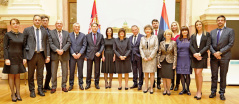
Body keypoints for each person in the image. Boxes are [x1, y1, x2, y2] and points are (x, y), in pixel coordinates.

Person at [23, 15, 50, 98]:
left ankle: (40, 89)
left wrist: (48, 56)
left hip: (41, 55)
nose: (37, 21)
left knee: (40, 74)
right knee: (31, 74)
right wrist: (24, 56)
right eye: (36, 20)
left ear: (41, 21)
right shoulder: (27, 30)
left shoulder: (44, 31)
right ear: (33, 21)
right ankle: (32, 90)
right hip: (31, 55)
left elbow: (47, 44)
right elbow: (23, 44)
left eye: (39, 20)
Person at [209, 15, 235, 100]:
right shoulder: (212, 32)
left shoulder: (230, 31)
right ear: (216, 22)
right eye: (218, 20)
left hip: (224, 56)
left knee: (223, 75)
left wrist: (220, 52)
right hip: (214, 57)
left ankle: (222, 92)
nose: (220, 21)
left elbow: (230, 44)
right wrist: (214, 53)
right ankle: (213, 91)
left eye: (221, 20)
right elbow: (209, 44)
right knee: (214, 75)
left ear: (224, 22)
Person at [3, 18, 27, 102]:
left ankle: (18, 93)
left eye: (17, 23)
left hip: (19, 57)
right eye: (13, 23)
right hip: (10, 58)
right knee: (11, 76)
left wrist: (24, 57)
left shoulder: (22, 35)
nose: (15, 25)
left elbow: (24, 47)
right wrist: (6, 58)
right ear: (11, 25)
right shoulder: (7, 35)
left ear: (19, 24)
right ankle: (12, 94)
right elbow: (5, 47)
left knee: (17, 76)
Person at [190, 20, 211, 100]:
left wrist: (199, 54)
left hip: (202, 56)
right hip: (195, 56)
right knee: (196, 73)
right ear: (195, 26)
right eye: (197, 25)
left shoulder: (207, 34)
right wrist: (195, 54)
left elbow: (208, 45)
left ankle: (199, 91)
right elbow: (191, 46)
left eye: (200, 24)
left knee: (199, 72)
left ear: (202, 25)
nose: (198, 26)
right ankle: (198, 90)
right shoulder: (193, 35)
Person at [49, 20, 71, 93]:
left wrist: (63, 50)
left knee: (65, 71)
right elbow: (50, 43)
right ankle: (54, 86)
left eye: (60, 23)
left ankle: (64, 86)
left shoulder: (66, 33)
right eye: (57, 23)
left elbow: (68, 42)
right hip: (54, 54)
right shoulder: (51, 32)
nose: (59, 24)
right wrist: (57, 50)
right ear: (55, 25)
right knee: (53, 72)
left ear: (62, 25)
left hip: (64, 54)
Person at [139, 25, 158, 94]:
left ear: (151, 30)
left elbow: (156, 47)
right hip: (144, 58)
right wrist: (143, 57)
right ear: (144, 31)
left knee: (152, 73)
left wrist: (151, 56)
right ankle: (146, 87)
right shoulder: (142, 38)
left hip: (152, 58)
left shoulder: (155, 37)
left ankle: (151, 88)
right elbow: (140, 48)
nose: (147, 30)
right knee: (146, 73)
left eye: (149, 29)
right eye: (146, 29)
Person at [85, 23, 104, 90]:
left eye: (96, 26)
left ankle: (96, 83)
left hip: (97, 56)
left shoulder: (101, 36)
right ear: (91, 27)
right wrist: (85, 55)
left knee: (97, 70)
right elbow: (85, 46)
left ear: (98, 28)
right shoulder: (87, 36)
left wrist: (99, 52)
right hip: (89, 55)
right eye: (94, 26)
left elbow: (102, 45)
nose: (95, 28)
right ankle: (88, 83)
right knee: (89, 70)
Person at [157, 29, 177, 96]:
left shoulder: (174, 42)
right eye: (166, 34)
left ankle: (168, 89)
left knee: (168, 77)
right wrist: (158, 63)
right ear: (164, 35)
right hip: (162, 61)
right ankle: (164, 89)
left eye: (169, 34)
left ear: (171, 35)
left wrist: (174, 64)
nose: (168, 35)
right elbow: (159, 53)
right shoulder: (161, 43)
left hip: (170, 62)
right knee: (164, 77)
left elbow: (175, 54)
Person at [68, 23, 86, 91]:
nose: (77, 28)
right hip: (72, 56)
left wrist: (80, 53)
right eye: (76, 27)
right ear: (73, 28)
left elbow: (84, 45)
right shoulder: (69, 35)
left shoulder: (83, 35)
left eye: (78, 27)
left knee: (80, 71)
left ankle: (81, 84)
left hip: (80, 56)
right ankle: (71, 84)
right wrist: (73, 53)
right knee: (71, 71)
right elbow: (69, 45)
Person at [176, 26, 192, 96]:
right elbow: (175, 49)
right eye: (183, 30)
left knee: (187, 74)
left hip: (188, 58)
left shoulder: (191, 39)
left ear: (188, 31)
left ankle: (188, 89)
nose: (184, 32)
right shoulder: (178, 39)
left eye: (186, 30)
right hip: (180, 58)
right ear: (181, 32)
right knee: (181, 74)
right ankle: (183, 89)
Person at [129, 25, 144, 90]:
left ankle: (140, 84)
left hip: (140, 57)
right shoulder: (130, 38)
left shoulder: (142, 37)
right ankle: (135, 83)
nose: (134, 31)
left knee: (140, 71)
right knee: (134, 71)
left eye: (135, 29)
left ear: (138, 29)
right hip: (132, 57)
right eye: (133, 30)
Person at [152, 19, 164, 89]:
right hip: (152, 53)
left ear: (158, 24)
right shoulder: (150, 32)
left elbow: (163, 42)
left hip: (160, 53)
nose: (155, 24)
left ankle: (158, 83)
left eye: (156, 23)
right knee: (152, 68)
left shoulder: (162, 32)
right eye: (154, 23)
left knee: (159, 68)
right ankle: (153, 83)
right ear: (152, 25)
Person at [41, 15, 52, 91]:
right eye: (43, 20)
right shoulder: (39, 30)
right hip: (41, 54)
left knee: (50, 71)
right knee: (40, 72)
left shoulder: (50, 31)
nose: (45, 22)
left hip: (49, 54)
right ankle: (40, 87)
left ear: (48, 21)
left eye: (46, 20)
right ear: (41, 21)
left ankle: (46, 85)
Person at [170, 21, 181, 91]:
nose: (174, 27)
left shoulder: (180, 35)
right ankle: (172, 84)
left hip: (179, 54)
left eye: (175, 25)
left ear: (177, 26)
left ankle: (177, 84)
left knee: (178, 71)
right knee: (171, 70)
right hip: (171, 55)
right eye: (172, 25)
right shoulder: (169, 34)